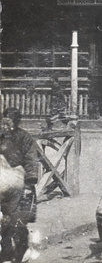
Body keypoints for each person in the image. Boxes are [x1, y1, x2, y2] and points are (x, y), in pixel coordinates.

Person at [0, 108, 39, 263]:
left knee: (18, 222)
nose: (6, 125)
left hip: (19, 185)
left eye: (10, 121)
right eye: (4, 120)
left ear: (16, 123)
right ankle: (7, 255)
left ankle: (20, 253)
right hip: (3, 184)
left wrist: (30, 181)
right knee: (5, 223)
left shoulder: (24, 137)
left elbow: (31, 160)